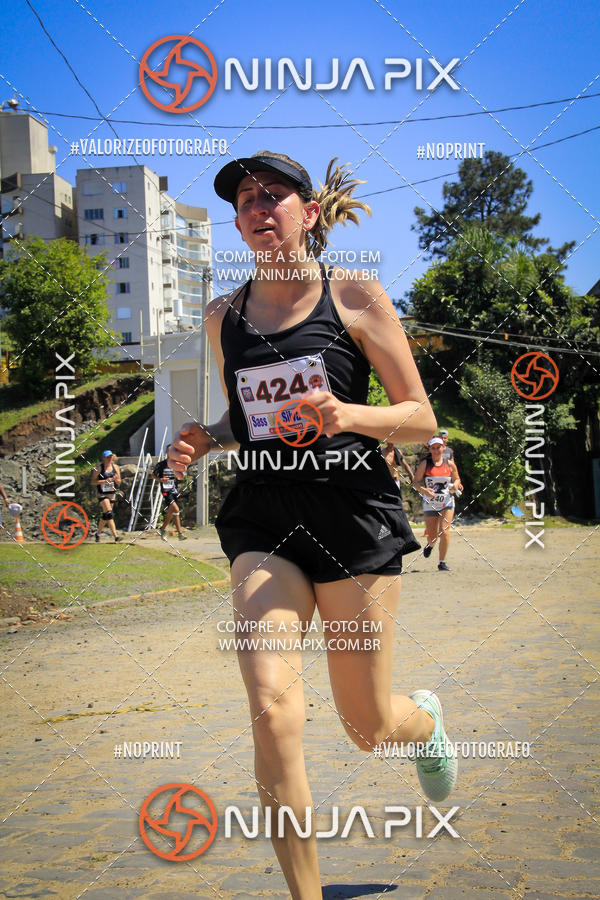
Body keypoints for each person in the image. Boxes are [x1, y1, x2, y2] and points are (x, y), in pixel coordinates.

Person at [169, 151, 457, 897]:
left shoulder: (355, 294)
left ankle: (421, 722)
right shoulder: (221, 316)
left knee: (366, 726)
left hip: (352, 518)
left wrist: (347, 413)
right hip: (264, 520)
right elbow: (249, 419)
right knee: (270, 709)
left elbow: (421, 417)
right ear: (238, 225)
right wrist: (210, 435)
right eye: (244, 201)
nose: (256, 208)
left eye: (273, 195)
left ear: (311, 212)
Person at [414, 436, 462, 571]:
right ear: (430, 449)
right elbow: (415, 482)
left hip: (447, 502)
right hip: (430, 503)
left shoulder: (450, 463)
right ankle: (430, 545)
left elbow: (457, 478)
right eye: (433, 448)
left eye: (438, 447)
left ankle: (442, 562)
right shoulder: (425, 464)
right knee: (433, 536)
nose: (436, 450)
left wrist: (455, 486)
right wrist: (424, 490)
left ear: (443, 448)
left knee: (445, 531)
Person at [152, 445, 186, 541]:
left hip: (174, 490)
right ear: (167, 452)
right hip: (166, 491)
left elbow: (181, 475)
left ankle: (162, 529)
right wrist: (160, 479)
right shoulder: (161, 464)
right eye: (169, 451)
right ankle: (180, 533)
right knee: (176, 508)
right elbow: (153, 475)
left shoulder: (177, 464)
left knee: (172, 512)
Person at [90, 450, 121, 542]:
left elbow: (119, 482)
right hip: (102, 494)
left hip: (111, 494)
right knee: (109, 513)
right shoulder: (98, 468)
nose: (110, 458)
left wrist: (115, 480)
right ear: (103, 458)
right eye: (108, 457)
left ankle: (98, 534)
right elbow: (92, 482)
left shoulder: (116, 467)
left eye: (111, 457)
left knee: (105, 515)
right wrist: (105, 481)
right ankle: (116, 536)